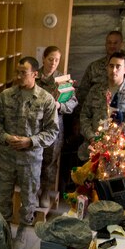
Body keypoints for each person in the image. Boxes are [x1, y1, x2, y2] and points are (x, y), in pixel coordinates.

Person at [0, 57, 59, 249]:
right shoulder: (6, 96)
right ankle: (4, 233)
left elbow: (52, 131)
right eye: (18, 72)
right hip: (7, 157)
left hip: (30, 160)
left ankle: (22, 230)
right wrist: (5, 137)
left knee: (29, 199)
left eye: (24, 72)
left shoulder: (46, 99)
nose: (19, 76)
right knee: (3, 197)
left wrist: (30, 141)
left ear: (35, 74)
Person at [78, 52, 125, 161]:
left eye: (118, 67)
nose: (114, 70)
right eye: (111, 66)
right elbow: (84, 115)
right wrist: (92, 138)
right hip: (92, 149)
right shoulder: (95, 90)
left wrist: (110, 140)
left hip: (117, 152)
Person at [36, 46, 77, 206]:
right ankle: (33, 193)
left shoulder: (63, 80)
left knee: (50, 162)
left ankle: (45, 193)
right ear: (43, 59)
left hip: (54, 127)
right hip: (34, 127)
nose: (53, 63)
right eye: (50, 59)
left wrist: (60, 106)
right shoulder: (34, 76)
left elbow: (72, 102)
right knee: (34, 162)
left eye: (57, 60)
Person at [76, 30, 125, 102]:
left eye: (115, 43)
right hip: (94, 109)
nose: (112, 46)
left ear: (121, 45)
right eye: (109, 43)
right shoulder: (94, 67)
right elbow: (82, 94)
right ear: (105, 44)